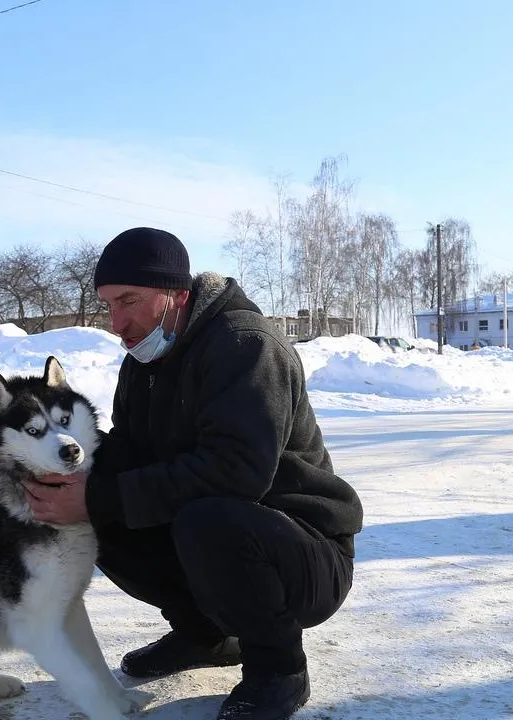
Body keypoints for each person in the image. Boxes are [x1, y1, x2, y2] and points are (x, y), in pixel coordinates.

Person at [23, 227, 363, 720]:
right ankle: (205, 635)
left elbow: (237, 474)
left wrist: (100, 498)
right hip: (225, 539)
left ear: (177, 295)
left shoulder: (247, 347)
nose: (117, 323)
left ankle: (279, 668)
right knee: (103, 508)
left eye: (129, 300)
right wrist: (64, 482)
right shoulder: (145, 358)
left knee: (203, 516)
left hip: (303, 551)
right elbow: (129, 451)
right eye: (108, 306)